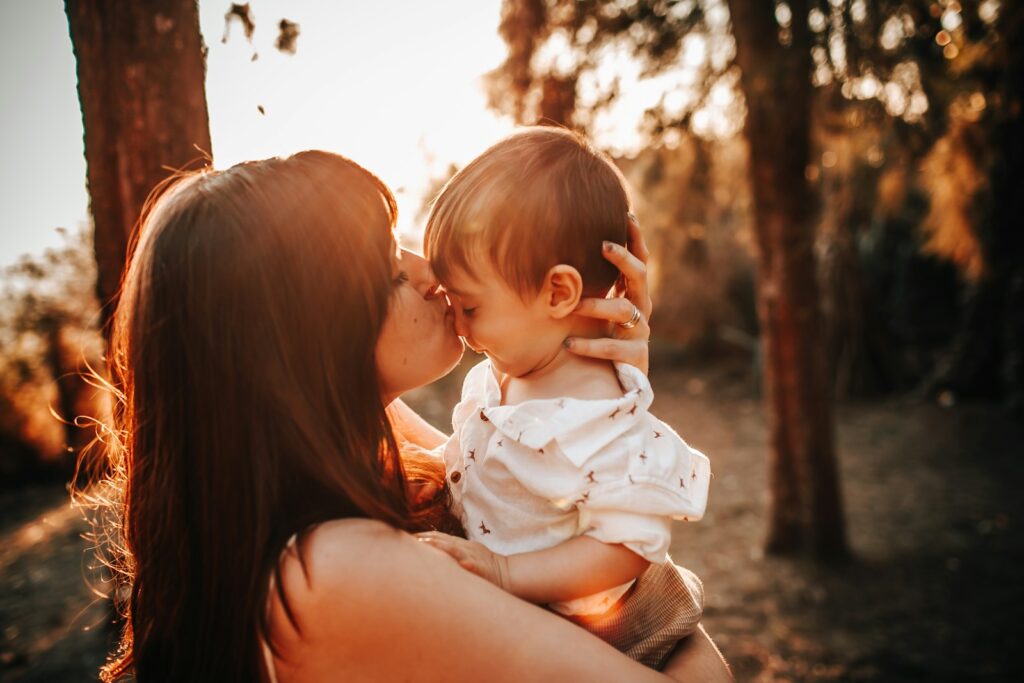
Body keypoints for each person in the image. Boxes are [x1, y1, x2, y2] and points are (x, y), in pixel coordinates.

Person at [84, 149, 733, 681]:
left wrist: (601, 392)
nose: (431, 274)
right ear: (305, 333)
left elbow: (536, 500)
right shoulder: (330, 570)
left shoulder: (369, 446)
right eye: (386, 267)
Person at [416, 127, 711, 670]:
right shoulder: (507, 369)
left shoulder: (594, 416)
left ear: (559, 292)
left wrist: (506, 573)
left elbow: (631, 545)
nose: (456, 324)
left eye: (471, 307)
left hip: (611, 637)